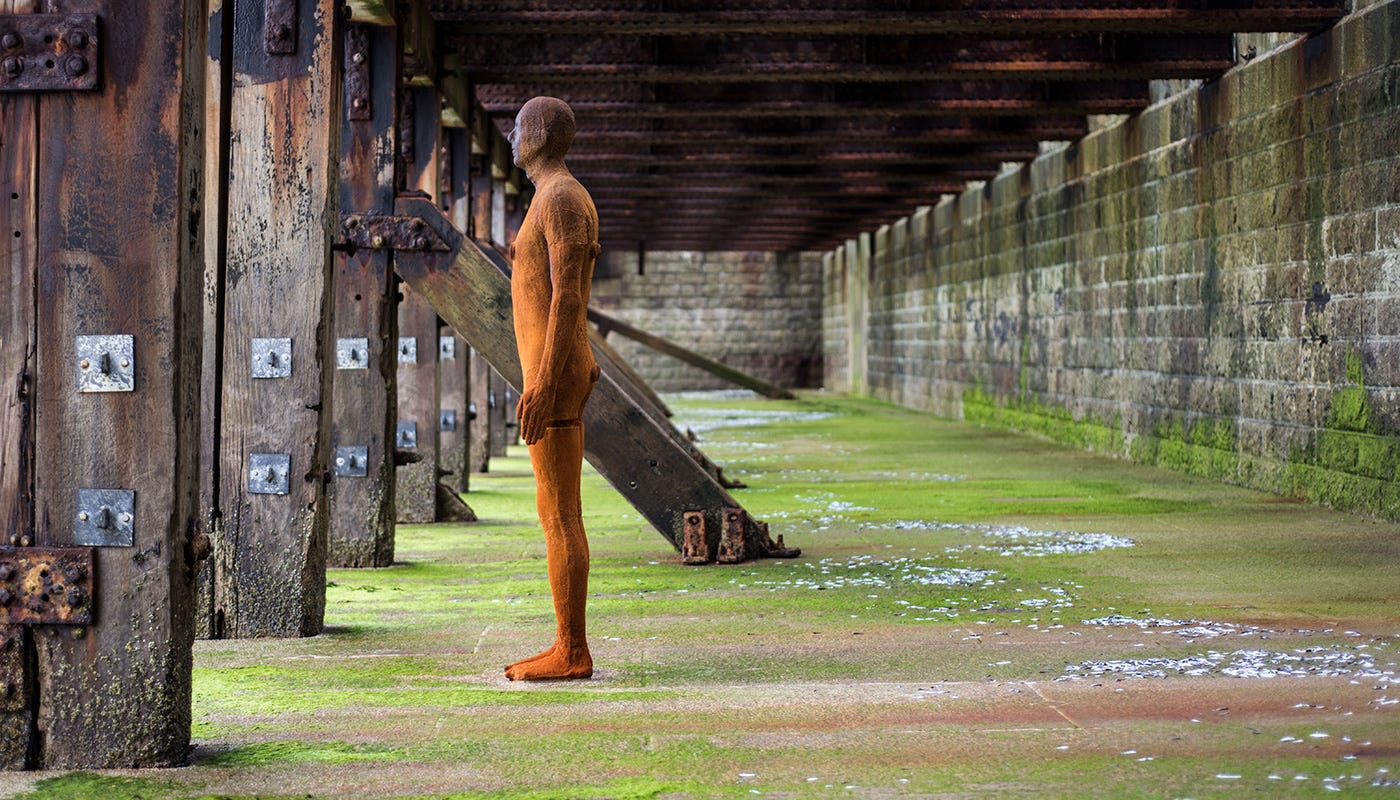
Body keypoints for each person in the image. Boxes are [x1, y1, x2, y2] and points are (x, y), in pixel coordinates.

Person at [505, 96, 601, 681]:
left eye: (518, 128)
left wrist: (541, 384)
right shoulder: (551, 196)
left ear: (538, 134)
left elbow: (567, 297)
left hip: (557, 376)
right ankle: (566, 641)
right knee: (553, 511)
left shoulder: (561, 197)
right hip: (552, 372)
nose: (512, 137)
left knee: (561, 513)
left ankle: (572, 649)